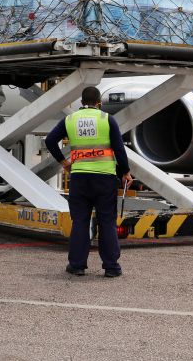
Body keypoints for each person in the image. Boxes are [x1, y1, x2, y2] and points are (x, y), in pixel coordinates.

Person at [45, 86, 133, 278]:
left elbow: (50, 141)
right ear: (98, 102)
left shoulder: (70, 120)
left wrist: (64, 162)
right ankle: (111, 267)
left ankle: (77, 265)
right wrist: (125, 172)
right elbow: (119, 149)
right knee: (107, 222)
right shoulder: (106, 119)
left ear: (82, 102)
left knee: (80, 222)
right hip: (105, 179)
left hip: (79, 178)